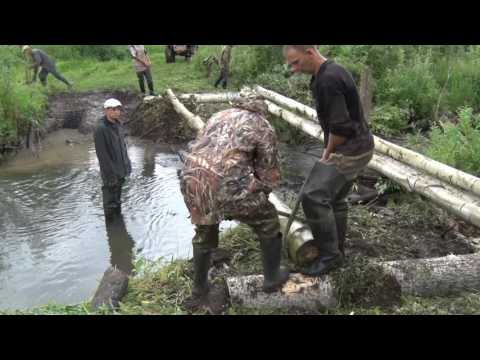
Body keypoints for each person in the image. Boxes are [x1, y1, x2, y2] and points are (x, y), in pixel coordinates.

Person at [180, 98, 289, 312]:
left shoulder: (218, 115)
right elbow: (269, 173)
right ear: (262, 110)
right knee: (268, 220)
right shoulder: (262, 126)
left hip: (192, 179)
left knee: (205, 228)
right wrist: (260, 192)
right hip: (226, 185)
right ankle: (272, 277)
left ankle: (199, 290)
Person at [284, 45, 375, 276]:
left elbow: (341, 127)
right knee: (336, 198)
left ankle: (330, 256)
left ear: (310, 52)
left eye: (296, 62)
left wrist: (328, 153)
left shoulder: (328, 80)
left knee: (313, 196)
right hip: (360, 144)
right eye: (291, 64)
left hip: (350, 149)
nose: (294, 69)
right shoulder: (327, 73)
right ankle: (338, 249)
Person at [94, 98, 132, 220]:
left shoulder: (118, 124)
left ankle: (119, 223)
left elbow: (123, 147)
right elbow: (102, 156)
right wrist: (110, 176)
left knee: (118, 199)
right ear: (107, 110)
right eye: (114, 110)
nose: (117, 112)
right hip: (110, 173)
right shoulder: (101, 129)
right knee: (110, 202)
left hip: (121, 170)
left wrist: (127, 165)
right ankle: (111, 229)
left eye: (118, 109)